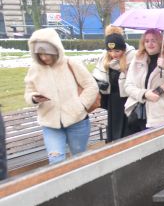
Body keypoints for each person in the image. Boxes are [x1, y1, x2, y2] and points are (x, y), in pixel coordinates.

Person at [24, 27, 99, 164]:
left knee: (79, 161)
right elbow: (28, 91)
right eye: (40, 54)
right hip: (50, 123)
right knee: (56, 162)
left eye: (47, 53)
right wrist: (33, 98)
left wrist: (81, 105)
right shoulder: (34, 69)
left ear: (56, 49)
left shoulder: (71, 63)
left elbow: (91, 86)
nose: (44, 57)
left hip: (77, 121)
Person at [124, 28, 164, 130]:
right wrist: (144, 94)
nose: (150, 44)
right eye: (147, 41)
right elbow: (128, 86)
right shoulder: (137, 60)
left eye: (153, 41)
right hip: (139, 115)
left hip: (161, 117)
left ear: (160, 42)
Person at [93, 26, 136, 141]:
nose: (113, 54)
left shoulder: (132, 57)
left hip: (128, 99)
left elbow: (137, 79)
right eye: (110, 51)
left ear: (123, 49)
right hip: (113, 100)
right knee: (115, 130)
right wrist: (100, 84)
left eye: (117, 51)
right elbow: (97, 75)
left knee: (128, 131)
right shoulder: (104, 59)